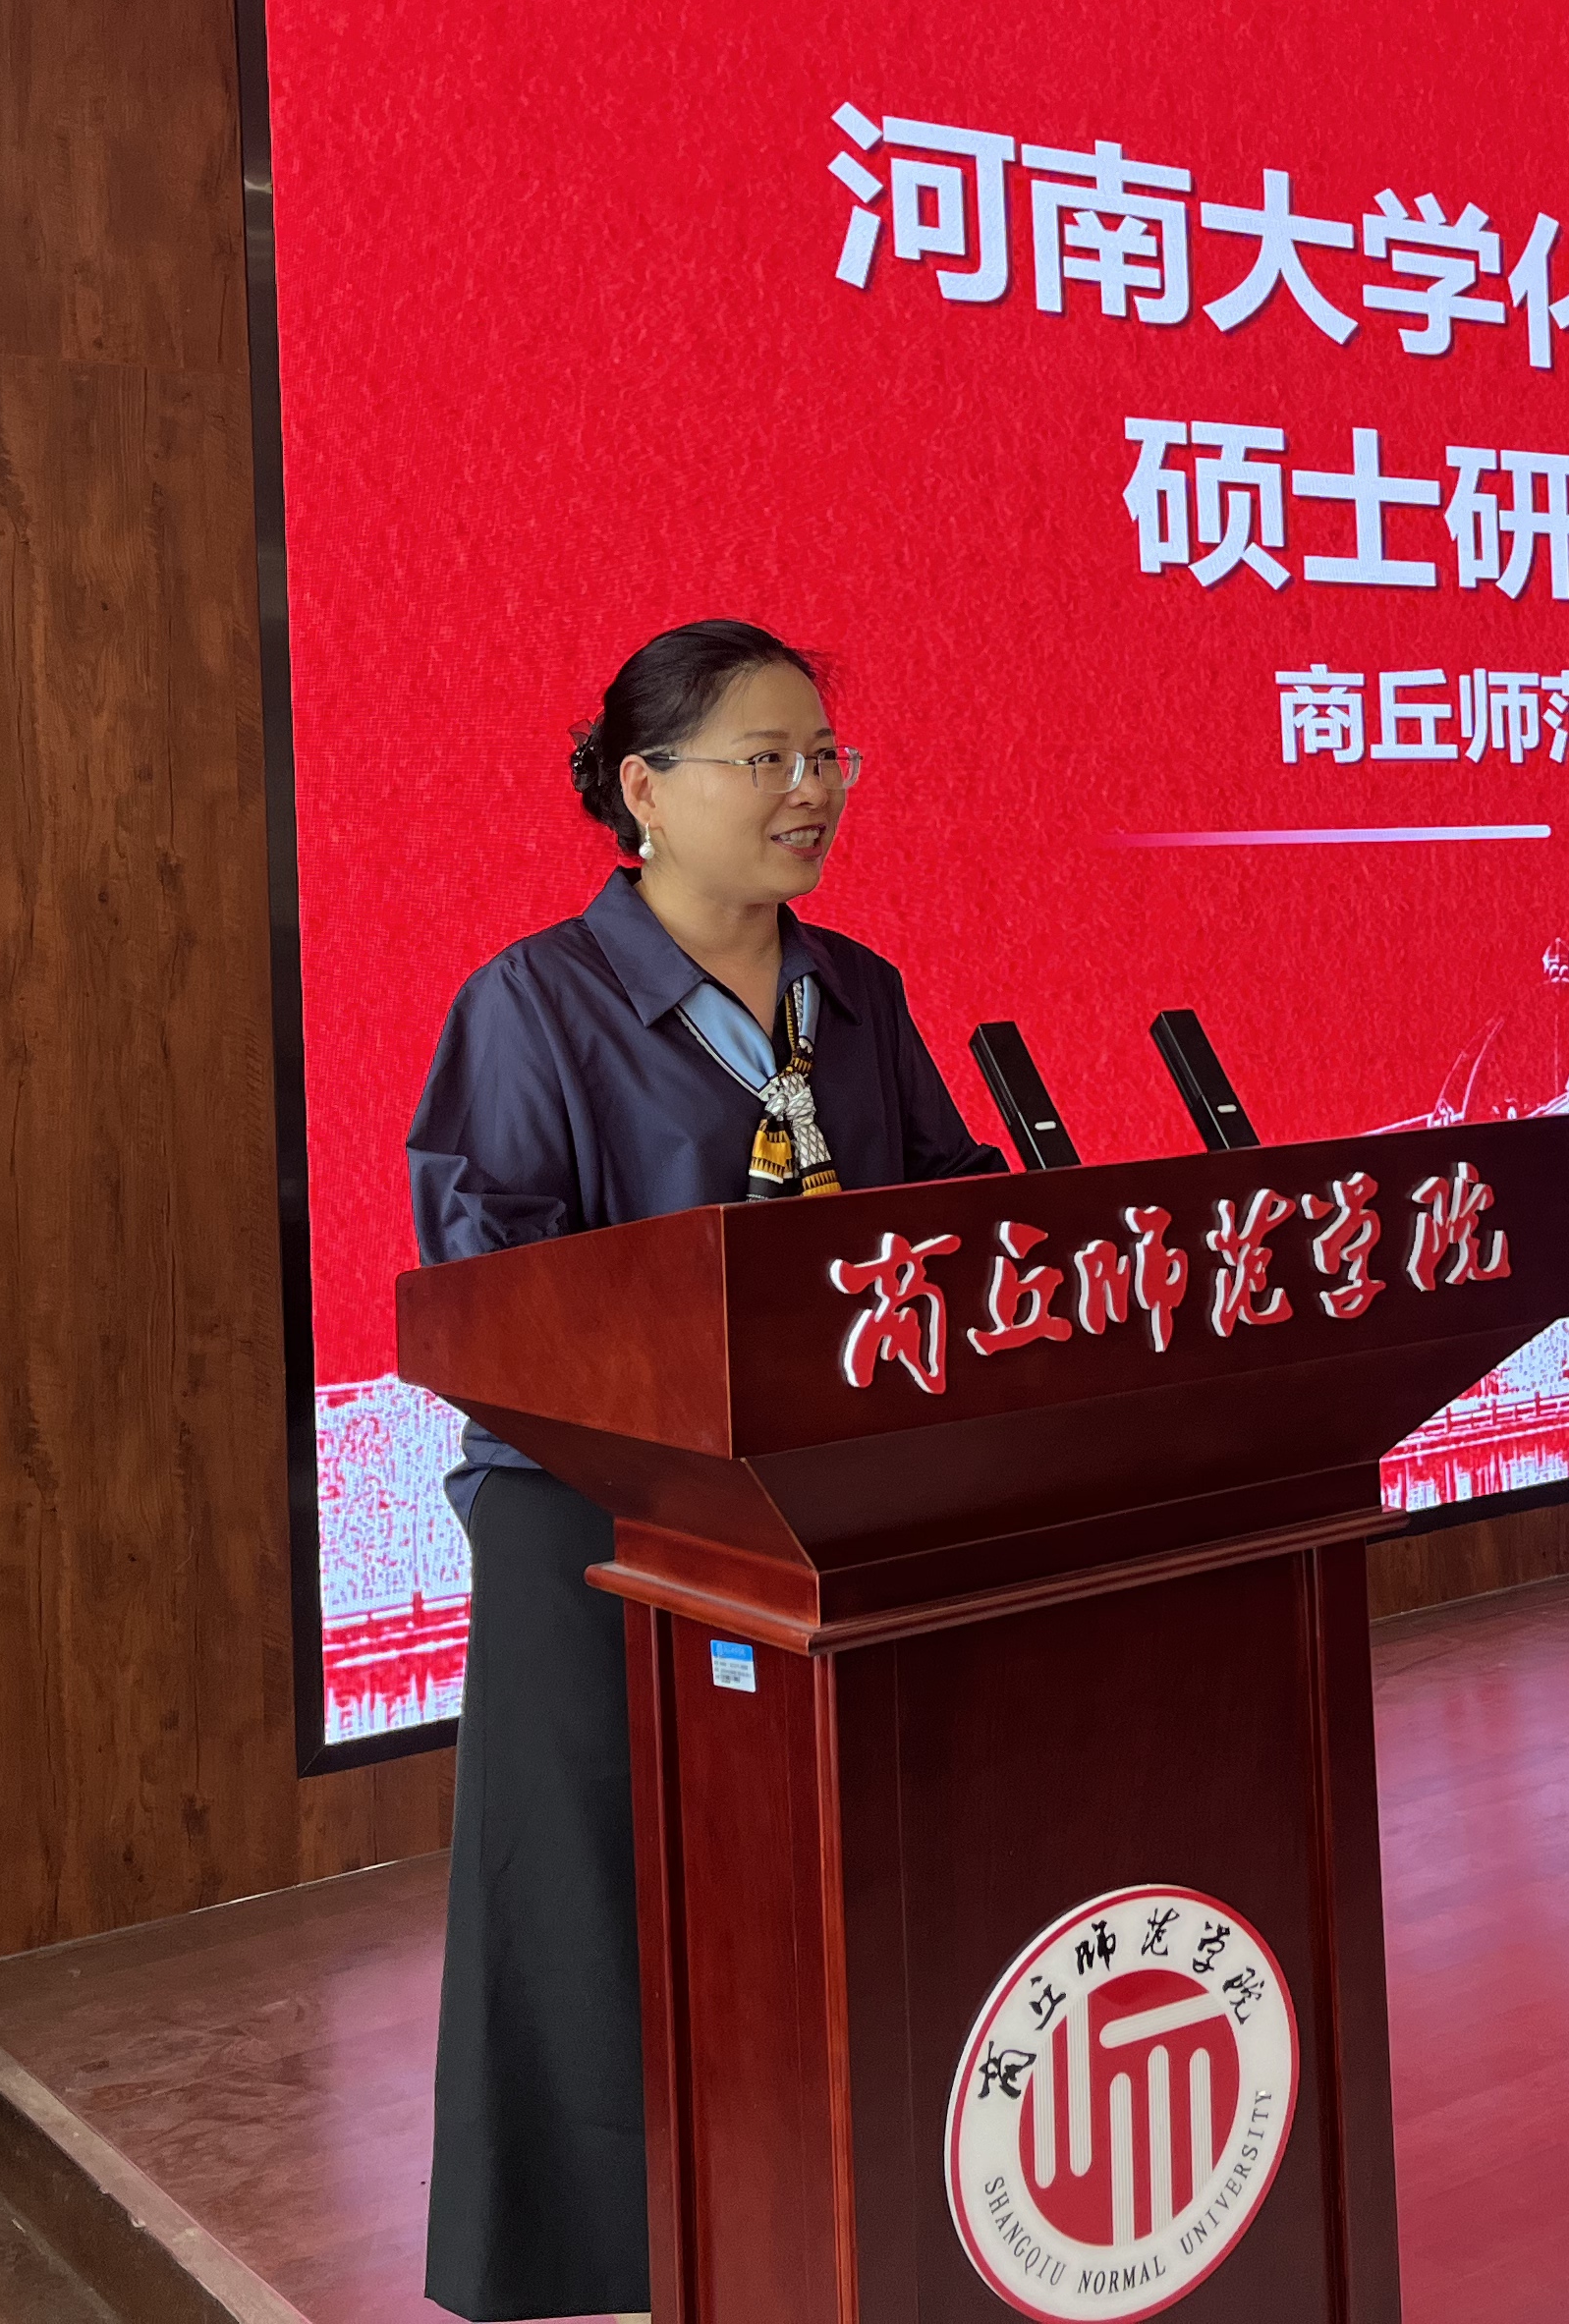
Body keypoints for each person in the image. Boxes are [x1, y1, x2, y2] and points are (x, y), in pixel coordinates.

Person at [408, 619, 999, 2323]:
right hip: (601, 1517)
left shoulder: (856, 993)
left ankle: (836, 2208)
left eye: (826, 756)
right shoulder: (533, 1003)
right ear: (645, 790)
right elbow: (491, 1283)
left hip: (824, 1512)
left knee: (835, 1877)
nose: (811, 789)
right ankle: (605, 2255)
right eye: (767, 758)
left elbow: (940, 1205)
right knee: (597, 1894)